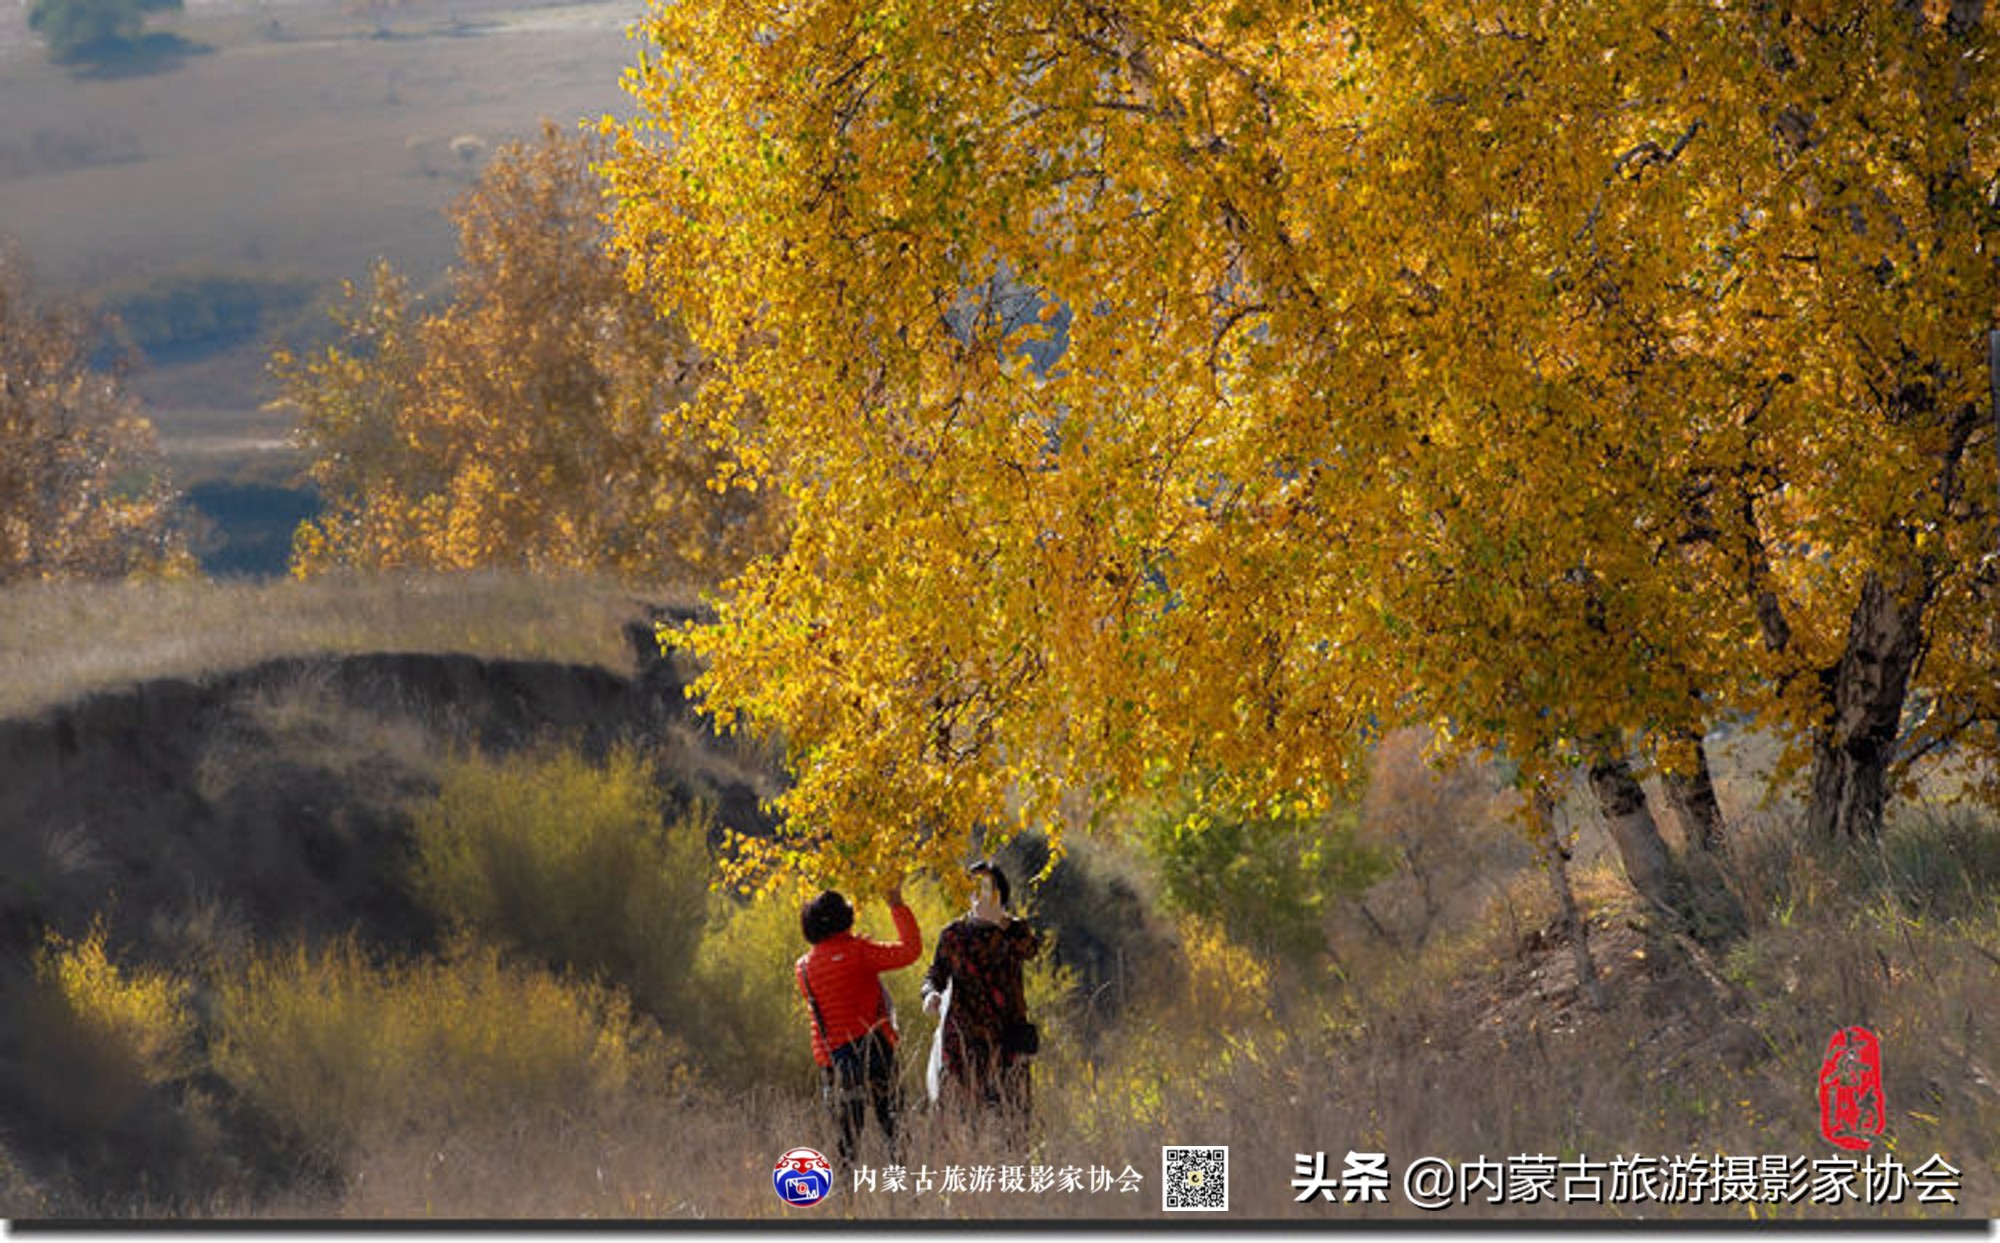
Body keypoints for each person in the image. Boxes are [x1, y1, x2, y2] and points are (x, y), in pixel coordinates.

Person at [796, 884, 922, 1168]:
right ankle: (905, 1197)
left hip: (835, 1062)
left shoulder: (803, 967)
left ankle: (847, 1204)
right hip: (876, 1052)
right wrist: (897, 904)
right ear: (845, 918)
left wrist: (827, 1064)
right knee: (895, 1131)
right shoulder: (860, 952)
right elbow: (910, 950)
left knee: (845, 1144)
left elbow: (819, 1019)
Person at [921, 860, 1042, 1127]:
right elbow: (935, 974)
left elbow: (1032, 950)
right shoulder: (953, 934)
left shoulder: (1014, 931)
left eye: (987, 889)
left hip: (1008, 1040)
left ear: (1000, 895)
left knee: (1012, 1122)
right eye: (973, 888)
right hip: (962, 1041)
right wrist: (930, 994)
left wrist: (1002, 922)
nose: (979, 896)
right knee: (960, 1121)